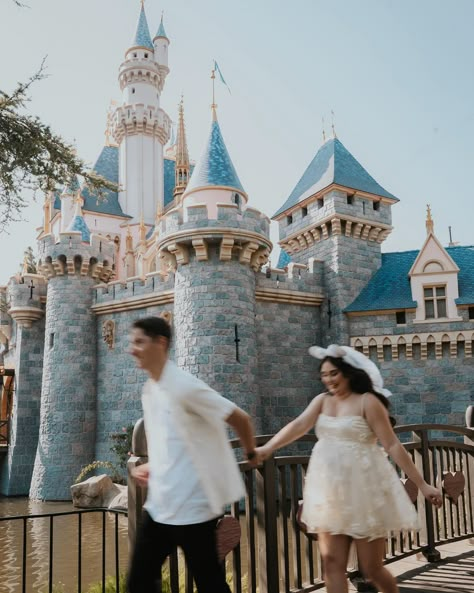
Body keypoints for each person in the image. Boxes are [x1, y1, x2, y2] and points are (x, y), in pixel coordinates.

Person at [255, 344, 443, 593]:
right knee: (331, 563)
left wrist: (422, 484)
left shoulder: (368, 402)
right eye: (324, 374)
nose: (328, 379)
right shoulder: (321, 401)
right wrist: (266, 448)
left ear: (349, 373)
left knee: (372, 568)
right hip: (330, 491)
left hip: (365, 491)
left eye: (333, 373)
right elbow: (299, 425)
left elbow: (392, 445)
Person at [127, 316, 257, 593]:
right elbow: (173, 440)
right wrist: (152, 466)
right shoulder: (151, 389)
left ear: (160, 343)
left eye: (139, 341)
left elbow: (240, 418)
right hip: (160, 505)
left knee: (209, 583)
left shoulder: (184, 386)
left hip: (192, 508)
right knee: (138, 582)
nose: (132, 349)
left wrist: (251, 452)